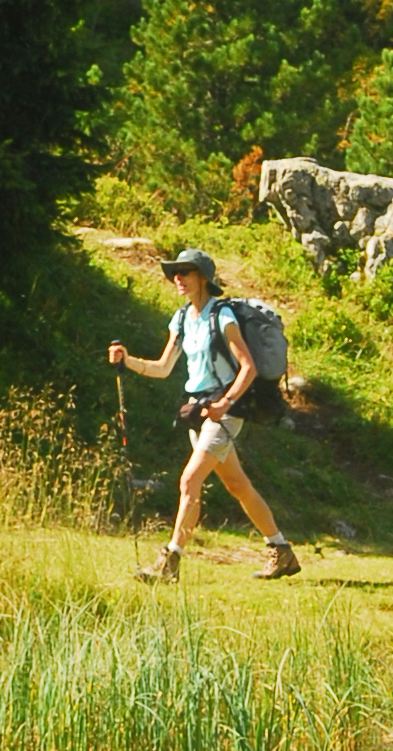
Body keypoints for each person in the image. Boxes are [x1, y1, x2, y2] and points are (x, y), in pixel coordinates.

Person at [108, 248, 301, 581]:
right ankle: (281, 551)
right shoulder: (182, 318)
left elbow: (248, 368)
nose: (178, 279)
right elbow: (162, 367)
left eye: (185, 272)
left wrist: (226, 402)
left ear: (203, 278)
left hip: (223, 411)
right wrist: (127, 361)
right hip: (198, 410)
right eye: (176, 273)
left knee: (189, 480)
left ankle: (170, 562)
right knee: (238, 485)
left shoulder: (222, 316)